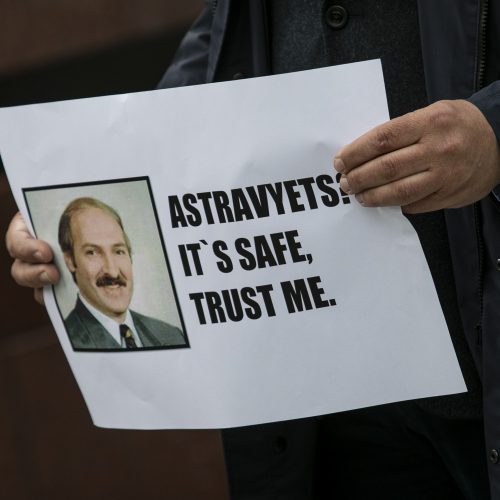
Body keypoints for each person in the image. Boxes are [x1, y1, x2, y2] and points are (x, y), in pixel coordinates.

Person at [5, 0, 500, 498]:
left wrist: (493, 132)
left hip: (481, 369)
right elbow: (227, 35)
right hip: (324, 405)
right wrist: (68, 195)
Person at [56, 197, 185, 350]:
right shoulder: (63, 345)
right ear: (70, 261)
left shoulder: (172, 335)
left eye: (119, 251)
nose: (112, 271)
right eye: (92, 252)